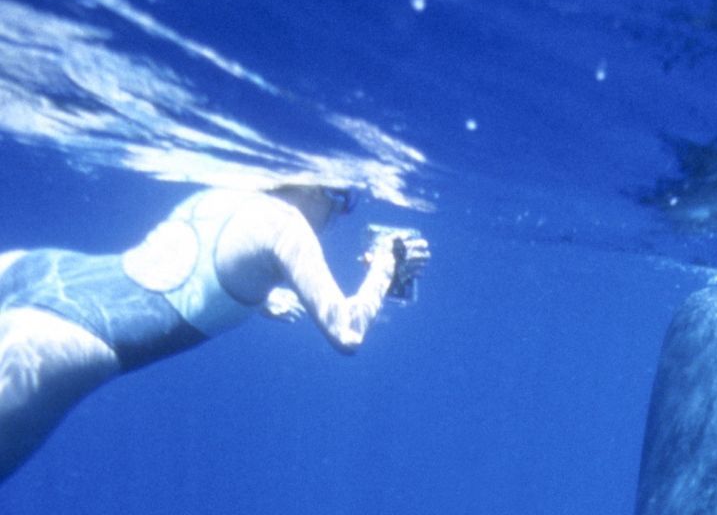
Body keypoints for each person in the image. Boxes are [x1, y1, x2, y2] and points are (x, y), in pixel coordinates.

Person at [0, 182, 429, 484]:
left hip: (34, 268)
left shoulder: (224, 192)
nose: (337, 216)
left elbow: (181, 266)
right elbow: (347, 331)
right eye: (343, 202)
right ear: (316, 188)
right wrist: (384, 268)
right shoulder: (286, 227)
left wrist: (258, 297)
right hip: (67, 335)